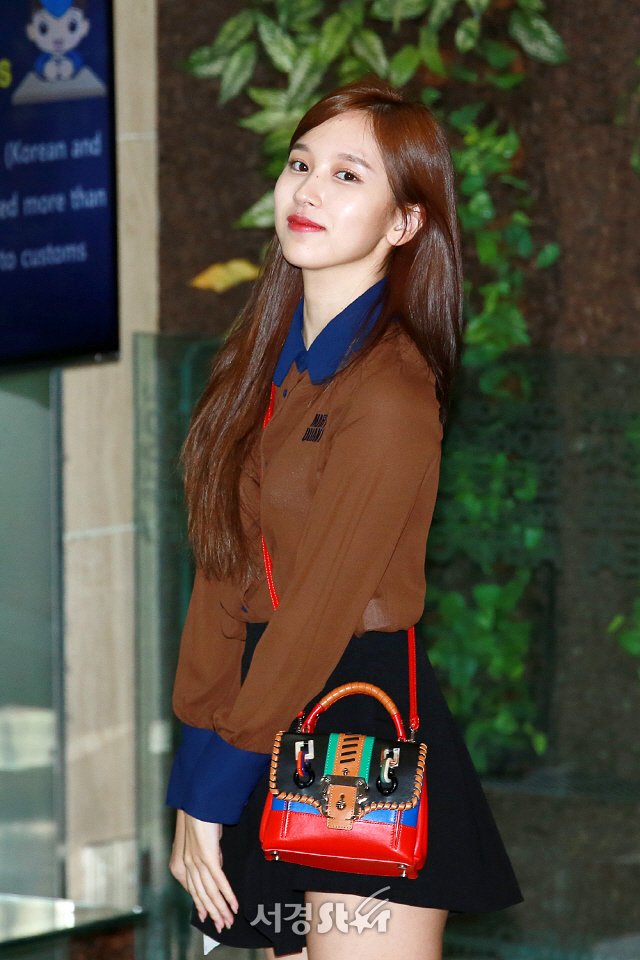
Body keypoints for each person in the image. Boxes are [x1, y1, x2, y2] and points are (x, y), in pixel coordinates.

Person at [166, 75, 524, 960]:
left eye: (348, 175)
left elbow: (322, 610)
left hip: (356, 728)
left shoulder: (392, 389)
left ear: (405, 222)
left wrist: (214, 785)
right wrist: (196, 771)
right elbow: (223, 569)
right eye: (300, 164)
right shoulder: (258, 363)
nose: (309, 189)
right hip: (259, 715)